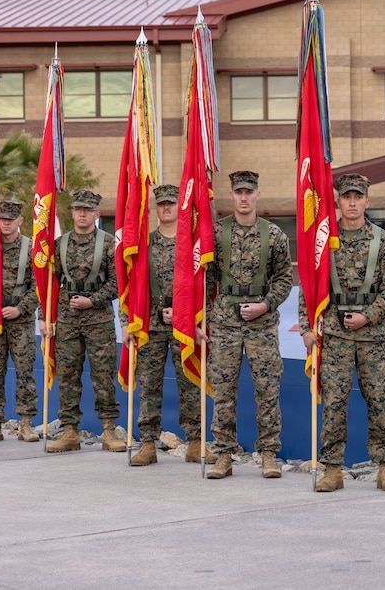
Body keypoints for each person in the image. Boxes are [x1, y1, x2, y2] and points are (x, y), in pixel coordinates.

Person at [300, 173, 385, 492]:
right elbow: (308, 287)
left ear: (367, 201)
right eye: (347, 197)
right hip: (335, 336)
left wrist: (367, 316)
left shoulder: (384, 241)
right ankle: (332, 469)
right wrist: (306, 328)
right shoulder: (324, 241)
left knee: (379, 400)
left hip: (372, 336)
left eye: (358, 197)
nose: (353, 203)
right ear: (338, 201)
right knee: (334, 403)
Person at [203, 171, 293, 480]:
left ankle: (268, 453)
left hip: (262, 324)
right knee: (223, 391)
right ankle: (223, 455)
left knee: (267, 390)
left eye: (248, 192)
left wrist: (265, 305)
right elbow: (205, 278)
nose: (243, 197)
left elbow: (284, 279)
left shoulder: (274, 235)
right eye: (238, 192)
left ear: (257, 195)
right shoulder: (216, 234)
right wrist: (201, 318)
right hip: (224, 323)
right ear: (231, 195)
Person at [129, 185, 211, 466]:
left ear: (180, 207)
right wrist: (129, 324)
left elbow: (204, 285)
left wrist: (196, 321)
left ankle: (195, 443)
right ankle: (148, 444)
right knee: (149, 385)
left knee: (189, 384)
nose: (166, 208)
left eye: (171, 203)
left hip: (184, 325)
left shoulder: (191, 245)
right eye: (161, 203)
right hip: (151, 326)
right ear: (156, 207)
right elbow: (134, 287)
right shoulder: (145, 244)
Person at [46, 190, 122, 453]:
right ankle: (69, 431)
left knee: (104, 375)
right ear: (72, 212)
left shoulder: (109, 243)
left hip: (99, 319)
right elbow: (49, 282)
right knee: (68, 375)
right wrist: (45, 317)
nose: (82, 214)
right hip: (67, 318)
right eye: (78, 209)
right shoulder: (59, 244)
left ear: (97, 213)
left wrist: (93, 300)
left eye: (88, 210)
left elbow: (118, 282)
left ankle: (109, 430)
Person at [0, 198, 40, 443]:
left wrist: (20, 308)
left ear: (20, 220)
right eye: (3, 219)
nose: (6, 223)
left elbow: (40, 286)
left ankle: (26, 424)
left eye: (11, 219)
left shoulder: (31, 248)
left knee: (25, 373)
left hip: (20, 321)